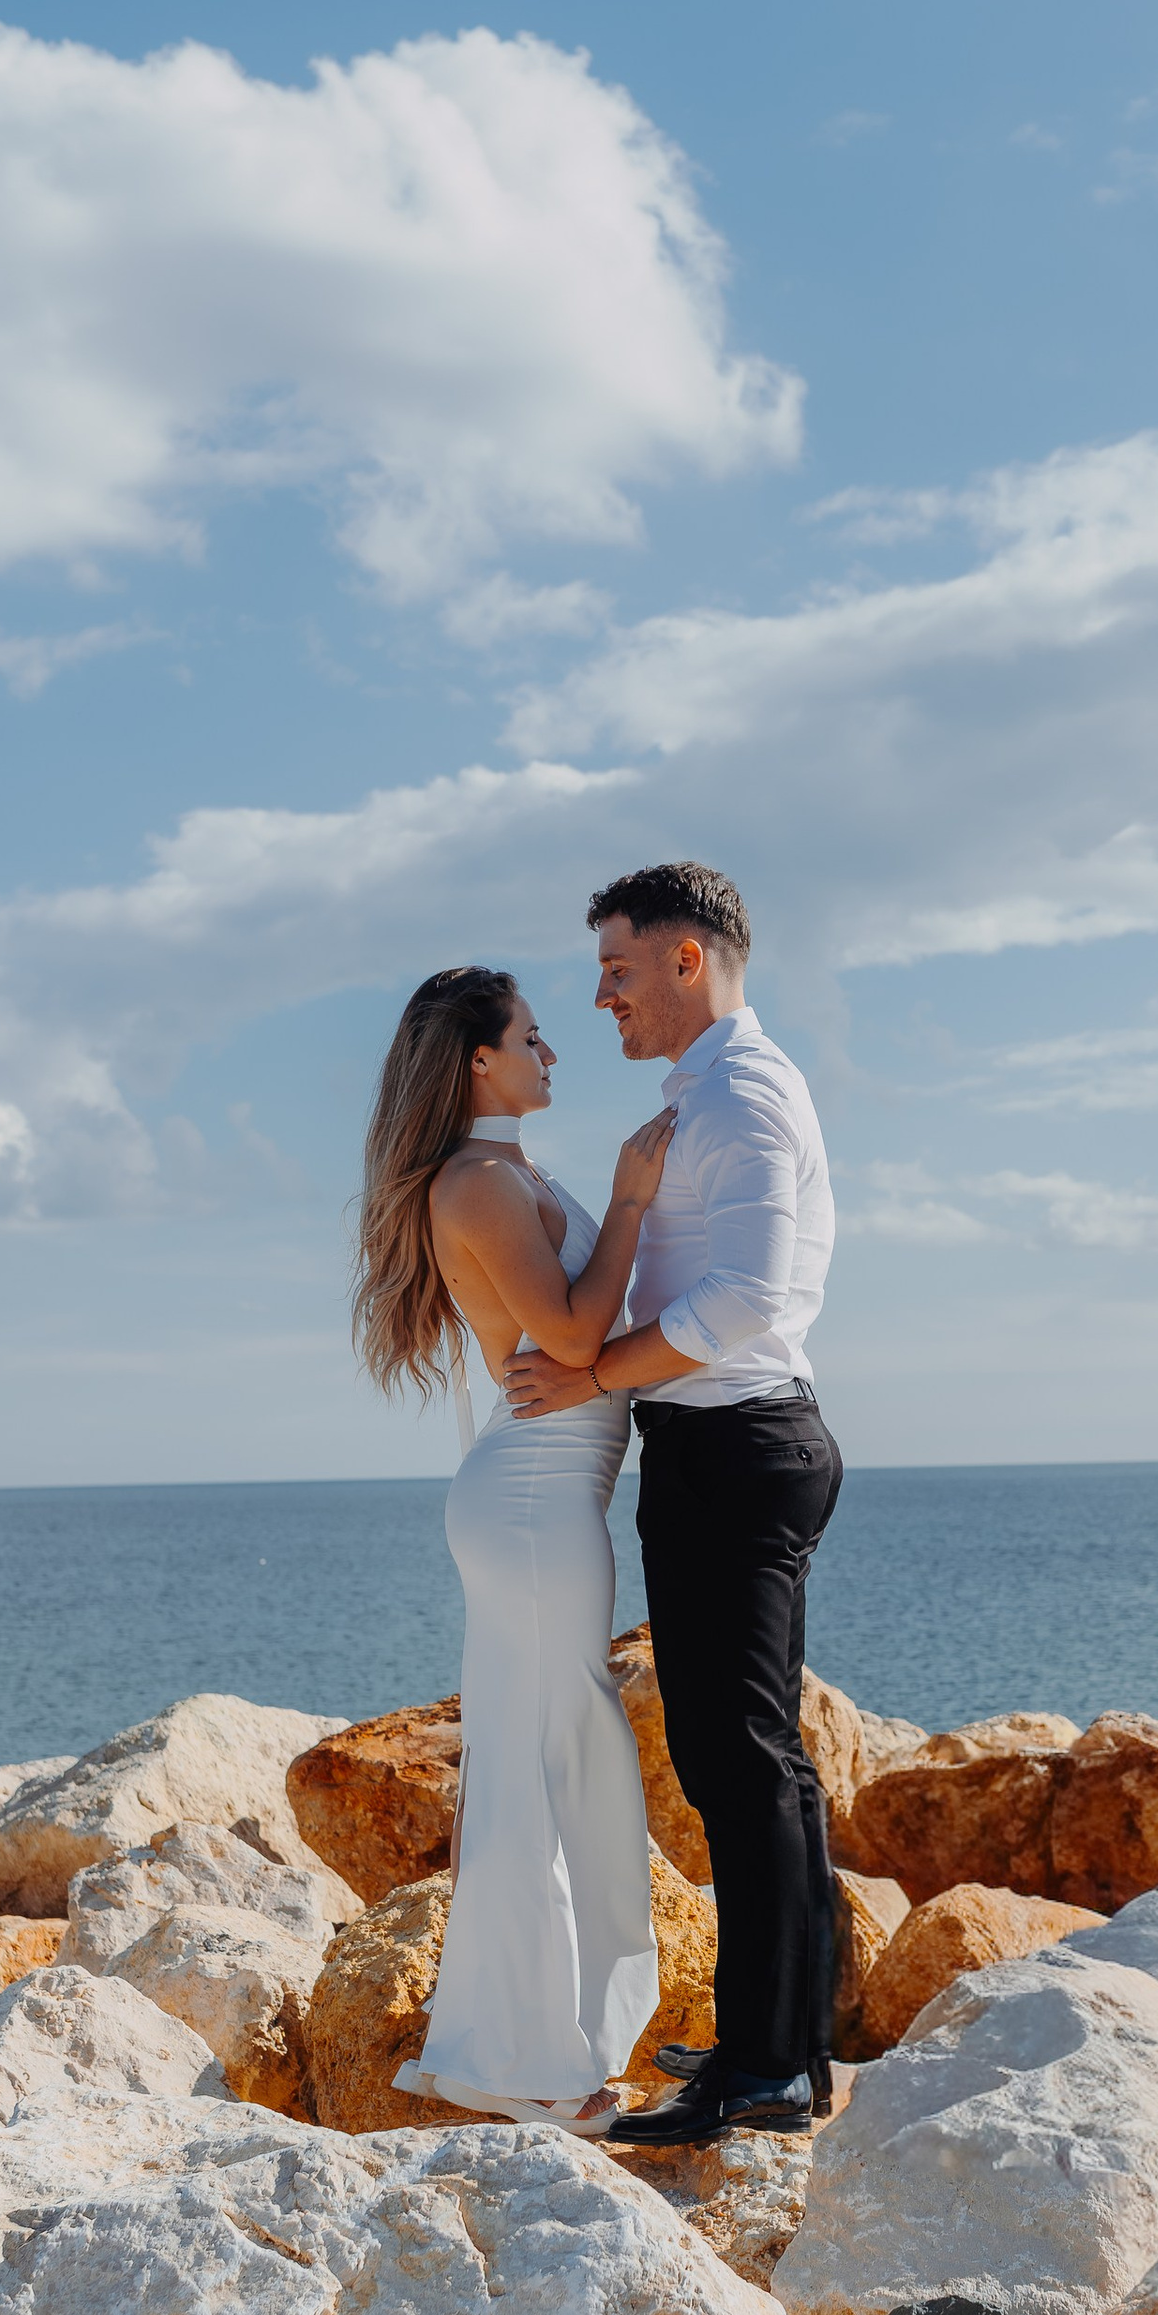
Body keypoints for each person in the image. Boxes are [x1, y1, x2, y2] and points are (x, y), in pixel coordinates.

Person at [504, 864, 841, 2143]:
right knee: (746, 1760)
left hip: (739, 1447)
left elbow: (746, 1301)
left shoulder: (743, 1092)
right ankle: (783, 2044)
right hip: (721, 1448)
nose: (601, 999)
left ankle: (765, 2071)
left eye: (619, 971)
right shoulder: (707, 1095)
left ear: (688, 959)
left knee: (739, 1760)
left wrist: (598, 1369)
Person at [352, 962, 677, 2133]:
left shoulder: (508, 1172)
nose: (553, 1055)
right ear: (479, 1060)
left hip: (548, 1498)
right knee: (544, 1762)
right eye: (534, 1039)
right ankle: (530, 2063)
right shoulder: (476, 1182)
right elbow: (578, 1328)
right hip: (535, 1503)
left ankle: (532, 2047)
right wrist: (633, 1195)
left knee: (550, 1757)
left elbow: (581, 1342)